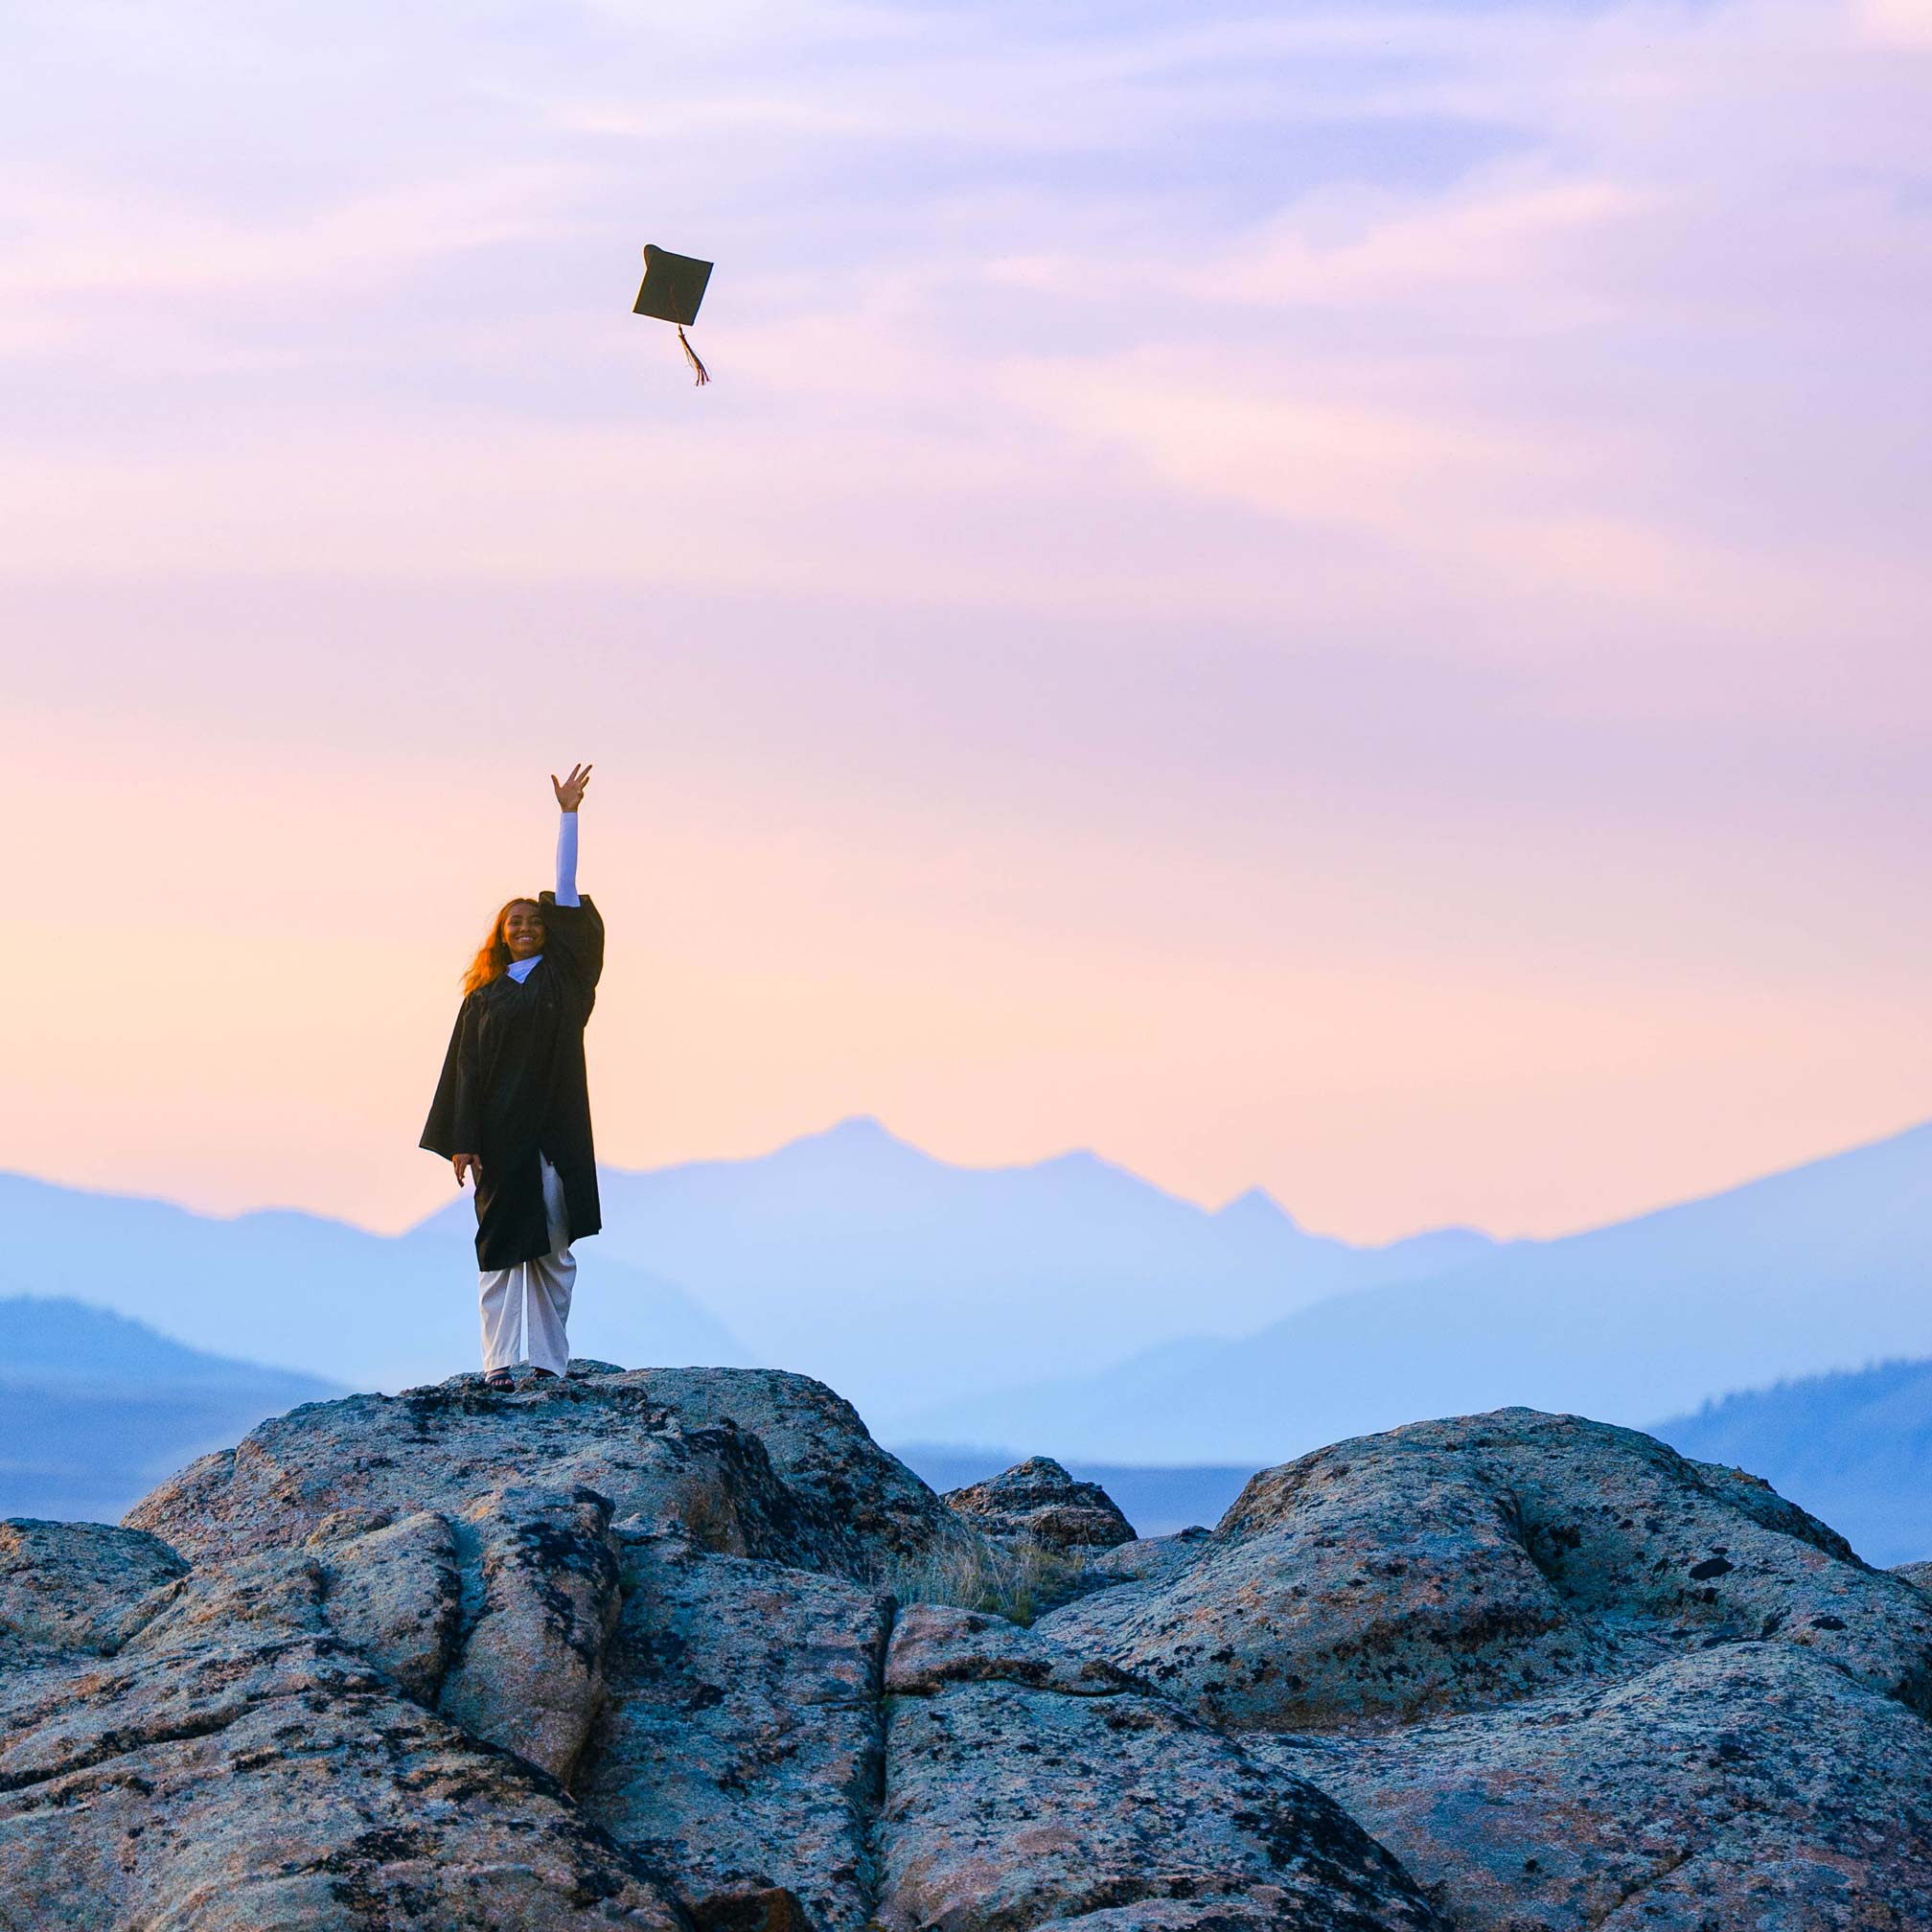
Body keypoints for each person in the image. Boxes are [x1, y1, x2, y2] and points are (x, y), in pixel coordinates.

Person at [420, 764, 604, 1391]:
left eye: (535, 923)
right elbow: (462, 1072)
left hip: (554, 1133)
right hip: (499, 1139)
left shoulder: (564, 981)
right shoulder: (484, 998)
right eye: (513, 924)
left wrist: (568, 816)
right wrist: (462, 1140)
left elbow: (569, 893)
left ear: (550, 935)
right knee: (499, 1249)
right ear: (501, 937)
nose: (525, 928)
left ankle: (550, 1363)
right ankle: (498, 1364)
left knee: (553, 1249)